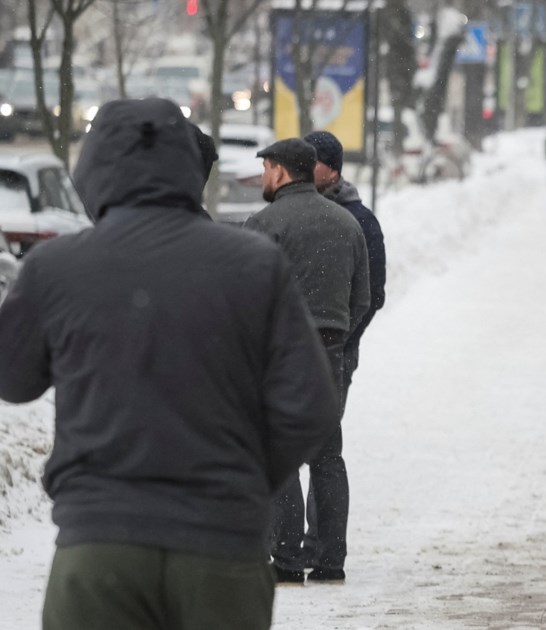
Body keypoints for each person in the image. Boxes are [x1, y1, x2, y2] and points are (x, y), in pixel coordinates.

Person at [0, 98, 340, 629]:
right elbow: (311, 406)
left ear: (94, 170)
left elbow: (13, 378)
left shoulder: (56, 268)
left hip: (100, 548)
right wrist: (243, 482)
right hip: (222, 549)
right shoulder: (253, 264)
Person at [245, 137, 371, 585]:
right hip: (330, 351)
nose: (263, 177)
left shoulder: (264, 224)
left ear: (281, 171)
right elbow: (363, 298)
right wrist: (336, 336)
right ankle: (330, 558)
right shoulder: (346, 223)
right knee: (327, 454)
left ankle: (286, 558)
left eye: (266, 168)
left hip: (280, 353)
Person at [301, 130, 388, 563]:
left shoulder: (359, 220)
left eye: (312, 162)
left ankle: (321, 545)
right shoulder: (294, 213)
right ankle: (299, 543)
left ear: (332, 170)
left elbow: (372, 294)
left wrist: (341, 339)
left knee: (322, 446)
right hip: (297, 349)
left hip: (335, 352)